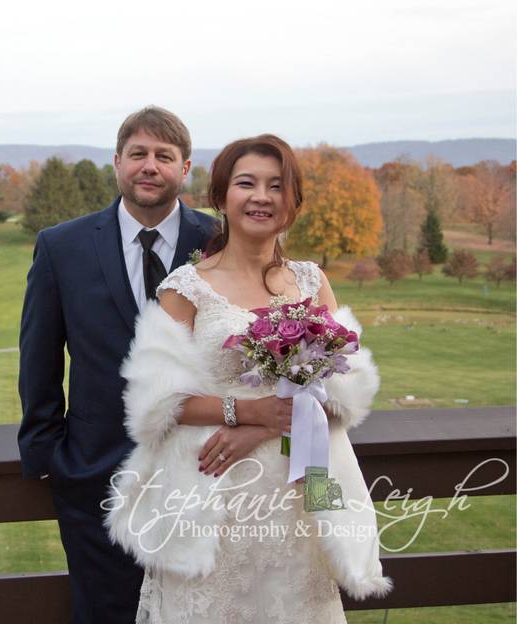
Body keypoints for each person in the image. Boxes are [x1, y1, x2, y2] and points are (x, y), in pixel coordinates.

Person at [104, 134, 392, 623]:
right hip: (212, 492)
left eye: (276, 186)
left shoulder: (310, 281)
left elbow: (346, 387)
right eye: (247, 183)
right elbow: (152, 404)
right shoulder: (186, 288)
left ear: (292, 201)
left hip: (299, 491)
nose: (262, 196)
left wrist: (263, 427)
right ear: (221, 196)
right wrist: (244, 411)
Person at [17, 106, 216, 622]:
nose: (149, 166)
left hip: (206, 476)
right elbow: (39, 353)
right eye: (138, 154)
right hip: (97, 476)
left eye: (164, 156)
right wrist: (48, 454)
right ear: (117, 162)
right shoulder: (61, 246)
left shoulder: (218, 242)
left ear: (185, 168)